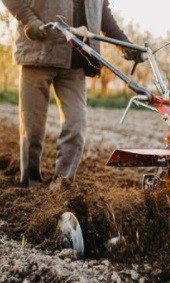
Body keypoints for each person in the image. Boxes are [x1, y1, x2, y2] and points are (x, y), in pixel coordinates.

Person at [1, 0, 144, 188]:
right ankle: (30, 187)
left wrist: (125, 44)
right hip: (38, 53)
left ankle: (62, 185)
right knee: (32, 131)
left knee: (76, 126)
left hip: (76, 61)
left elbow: (102, 12)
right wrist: (29, 20)